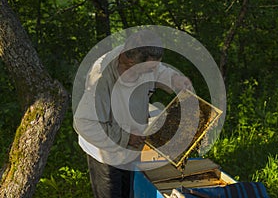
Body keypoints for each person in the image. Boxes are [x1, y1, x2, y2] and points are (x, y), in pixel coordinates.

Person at [73, 30, 192, 198]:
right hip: (106, 153)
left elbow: (158, 71)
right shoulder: (101, 79)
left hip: (131, 145)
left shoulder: (138, 53)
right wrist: (126, 137)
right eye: (150, 68)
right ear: (129, 62)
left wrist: (174, 79)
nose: (153, 71)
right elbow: (85, 123)